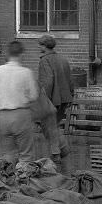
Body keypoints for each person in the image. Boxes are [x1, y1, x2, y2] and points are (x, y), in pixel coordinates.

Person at [0, 40, 40, 164]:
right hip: (21, 115)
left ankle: (7, 180)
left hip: (2, 116)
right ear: (21, 54)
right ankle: (23, 180)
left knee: (7, 154)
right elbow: (34, 96)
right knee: (26, 154)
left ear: (7, 54)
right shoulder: (26, 72)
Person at [37, 33, 75, 164]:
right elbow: (70, 79)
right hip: (64, 99)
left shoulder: (44, 61)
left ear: (44, 46)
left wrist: (43, 101)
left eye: (40, 45)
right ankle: (62, 150)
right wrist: (71, 95)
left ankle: (57, 154)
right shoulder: (63, 59)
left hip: (52, 99)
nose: (39, 47)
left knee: (49, 126)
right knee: (54, 125)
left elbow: (47, 82)